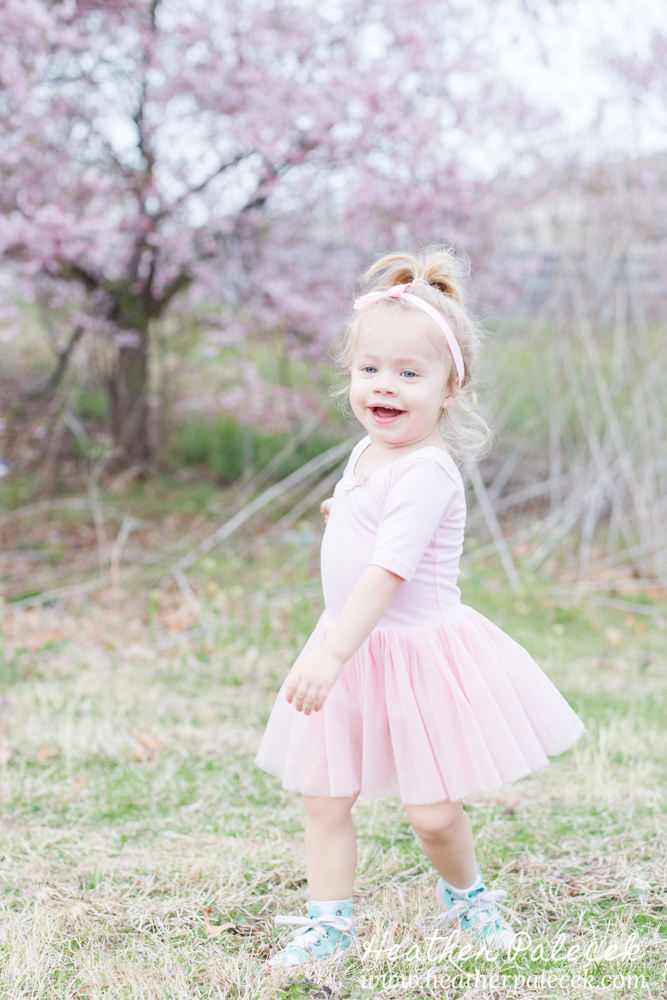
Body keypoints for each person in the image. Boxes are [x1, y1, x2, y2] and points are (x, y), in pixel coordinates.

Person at [254, 247, 585, 970]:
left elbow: (387, 570)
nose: (385, 387)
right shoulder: (370, 450)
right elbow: (368, 521)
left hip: (409, 654)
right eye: (370, 370)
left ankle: (466, 896)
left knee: (431, 814)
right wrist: (342, 507)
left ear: (450, 391)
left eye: (409, 375)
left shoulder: (429, 469)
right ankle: (329, 923)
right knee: (324, 794)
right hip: (349, 644)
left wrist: (330, 650)